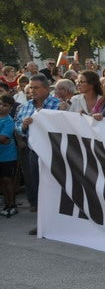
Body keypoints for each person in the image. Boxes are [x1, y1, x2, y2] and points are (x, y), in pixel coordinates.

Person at [14, 74, 60, 214]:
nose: (33, 91)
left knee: (54, 183)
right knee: (36, 182)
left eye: (36, 88)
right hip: (33, 151)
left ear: (46, 88)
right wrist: (23, 125)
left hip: (53, 150)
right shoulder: (26, 106)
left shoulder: (58, 104)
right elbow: (17, 125)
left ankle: (57, 214)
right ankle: (42, 217)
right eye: (31, 87)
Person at [0, 94, 18, 217]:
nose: (1, 107)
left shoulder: (9, 121)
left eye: (5, 105)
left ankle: (12, 205)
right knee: (1, 181)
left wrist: (2, 139)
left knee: (8, 181)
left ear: (10, 107)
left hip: (9, 156)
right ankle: (6, 204)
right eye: (0, 104)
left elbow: (2, 138)